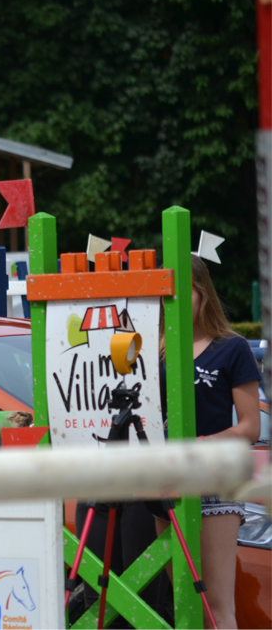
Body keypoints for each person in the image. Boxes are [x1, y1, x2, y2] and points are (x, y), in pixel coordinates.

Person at [154, 255, 261, 629]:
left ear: (203, 293)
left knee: (215, 606)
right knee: (184, 603)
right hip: (165, 482)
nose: (175, 301)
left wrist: (202, 442)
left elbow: (250, 427)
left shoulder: (232, 347)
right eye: (167, 293)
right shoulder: (152, 348)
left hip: (216, 481)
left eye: (185, 291)